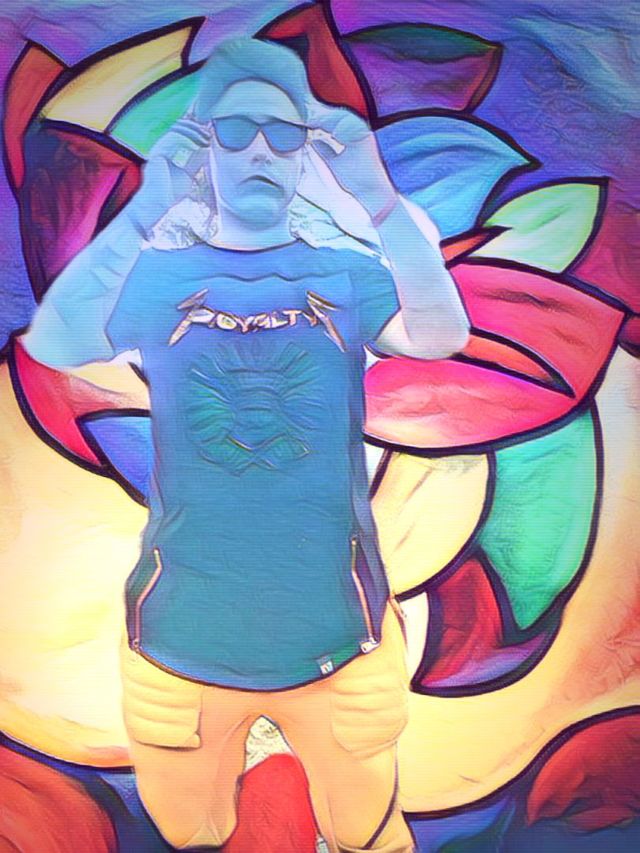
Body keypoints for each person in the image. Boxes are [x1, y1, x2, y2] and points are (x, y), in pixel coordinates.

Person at [20, 37, 470, 853]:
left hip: (343, 641)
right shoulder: (159, 276)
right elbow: (56, 341)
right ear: (205, 151)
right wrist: (145, 211)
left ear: (304, 155)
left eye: (282, 134)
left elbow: (440, 334)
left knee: (366, 833)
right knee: (193, 831)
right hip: (178, 647)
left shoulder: (341, 270)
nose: (259, 151)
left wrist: (376, 198)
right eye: (235, 131)